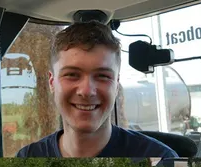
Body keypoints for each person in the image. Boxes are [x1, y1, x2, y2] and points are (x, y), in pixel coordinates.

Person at [15, 22, 178, 158]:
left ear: (116, 84)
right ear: (52, 82)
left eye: (102, 76)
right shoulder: (27, 157)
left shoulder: (161, 160)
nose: (87, 91)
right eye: (72, 74)